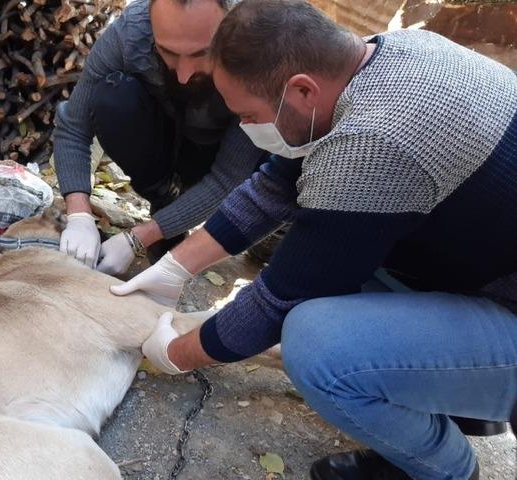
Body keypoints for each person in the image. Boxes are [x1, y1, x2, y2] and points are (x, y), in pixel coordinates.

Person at [112, 1, 517, 478]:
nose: (245, 127)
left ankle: (443, 469)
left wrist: (173, 354)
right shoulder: (390, 56)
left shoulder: (375, 139)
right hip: (493, 267)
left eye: (248, 113)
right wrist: (176, 267)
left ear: (301, 90)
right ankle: (457, 397)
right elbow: (275, 185)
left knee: (316, 342)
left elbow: (277, 301)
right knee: (344, 270)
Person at [53, 0, 266, 273]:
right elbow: (73, 125)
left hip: (213, 149)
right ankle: (164, 199)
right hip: (160, 135)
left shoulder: (257, 47)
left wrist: (137, 239)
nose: (184, 74)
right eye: (168, 52)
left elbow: (227, 178)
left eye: (202, 53)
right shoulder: (129, 33)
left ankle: (266, 233)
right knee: (112, 97)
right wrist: (79, 215)